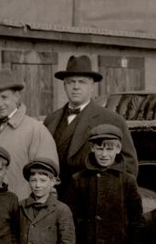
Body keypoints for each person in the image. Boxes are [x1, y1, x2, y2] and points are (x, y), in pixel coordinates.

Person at [42, 54, 137, 182]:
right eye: (71, 82)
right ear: (64, 86)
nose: (76, 87)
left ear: (92, 86)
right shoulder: (51, 120)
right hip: (56, 198)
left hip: (91, 198)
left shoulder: (112, 120)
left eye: (82, 82)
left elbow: (129, 169)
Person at [0, 70, 59, 202]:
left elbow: (48, 180)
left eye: (4, 97)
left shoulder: (36, 130)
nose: (0, 103)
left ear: (17, 96)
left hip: (21, 212)